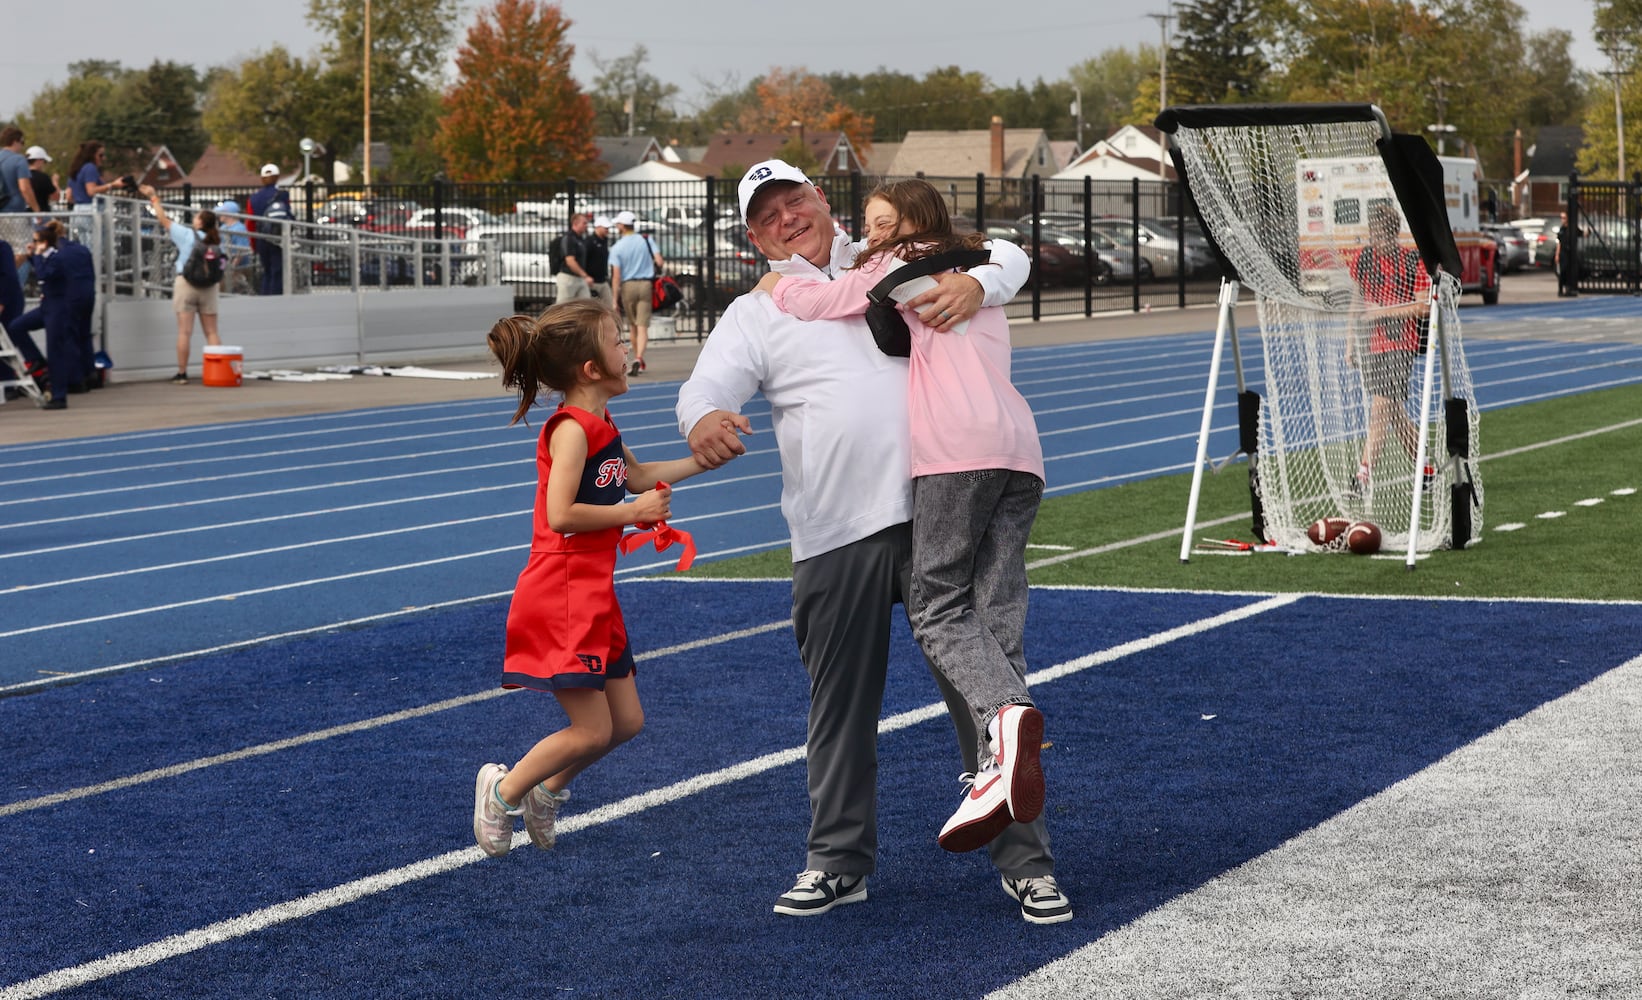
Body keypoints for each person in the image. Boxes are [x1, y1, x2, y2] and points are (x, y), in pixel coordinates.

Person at [677, 160, 1073, 925]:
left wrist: (979, 286)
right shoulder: (756, 309)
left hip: (940, 505)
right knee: (840, 708)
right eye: (768, 216)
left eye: (795, 200)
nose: (788, 218)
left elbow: (1009, 253)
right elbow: (704, 389)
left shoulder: (896, 253)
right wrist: (703, 420)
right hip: (835, 528)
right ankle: (837, 862)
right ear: (756, 239)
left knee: (984, 690)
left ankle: (1027, 864)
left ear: (823, 200)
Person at [754, 177, 1049, 854]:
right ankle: (1003, 761)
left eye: (880, 222)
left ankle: (1008, 719)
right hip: (1019, 453)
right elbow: (1006, 253)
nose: (871, 231)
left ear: (911, 225)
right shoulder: (973, 264)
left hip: (955, 454)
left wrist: (780, 287)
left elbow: (830, 298)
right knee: (995, 615)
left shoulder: (897, 266)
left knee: (938, 606)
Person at [472, 299, 710, 858]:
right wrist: (635, 513)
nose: (628, 350)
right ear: (591, 369)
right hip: (562, 591)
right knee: (591, 730)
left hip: (592, 590)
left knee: (625, 721)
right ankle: (502, 792)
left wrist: (705, 458)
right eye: (618, 342)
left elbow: (638, 476)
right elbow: (561, 516)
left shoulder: (601, 421)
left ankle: (546, 791)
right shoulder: (572, 431)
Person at [1349, 202, 1433, 494]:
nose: (1377, 242)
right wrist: (1350, 343)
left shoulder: (1412, 261)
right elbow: (1357, 302)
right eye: (1373, 235)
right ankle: (1427, 469)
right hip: (1372, 344)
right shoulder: (1363, 259)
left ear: (1393, 234)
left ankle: (1362, 475)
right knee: (1394, 412)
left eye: (1382, 236)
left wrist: (1382, 312)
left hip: (1401, 343)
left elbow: (1422, 307)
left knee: (1380, 408)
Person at [141, 184, 222, 383]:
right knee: (211, 331)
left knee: (185, 331)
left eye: (196, 216)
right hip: (209, 287)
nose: (193, 219)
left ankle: (182, 373)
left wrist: (154, 197)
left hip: (186, 284)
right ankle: (217, 371)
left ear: (201, 222)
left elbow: (163, 219)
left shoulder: (186, 235)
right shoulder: (216, 240)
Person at [14, 221, 96, 408]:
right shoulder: (49, 257)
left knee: (56, 351)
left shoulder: (56, 258)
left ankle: (60, 395)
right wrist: (33, 258)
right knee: (16, 326)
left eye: (36, 241)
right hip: (48, 306)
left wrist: (36, 256)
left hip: (59, 309)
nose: (33, 244)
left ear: (45, 242)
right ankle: (36, 359)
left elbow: (43, 275)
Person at [607, 211, 664, 375]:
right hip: (646, 285)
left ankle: (636, 356)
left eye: (618, 224)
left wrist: (614, 300)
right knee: (643, 325)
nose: (617, 226)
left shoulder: (617, 247)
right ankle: (639, 357)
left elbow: (616, 276)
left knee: (633, 325)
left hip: (628, 286)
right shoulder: (646, 240)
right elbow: (659, 261)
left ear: (623, 226)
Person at [246, 163, 293, 295]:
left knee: (266, 270)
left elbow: (250, 223)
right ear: (277, 177)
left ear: (262, 178)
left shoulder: (253, 198)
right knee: (277, 270)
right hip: (279, 238)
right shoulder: (283, 195)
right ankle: (276, 297)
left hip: (261, 239)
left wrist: (253, 243)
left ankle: (265, 296)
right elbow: (288, 216)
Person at [553, 212, 594, 302]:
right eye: (584, 223)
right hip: (568, 277)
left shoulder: (580, 239)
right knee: (563, 307)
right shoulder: (569, 238)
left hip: (579, 278)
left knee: (586, 305)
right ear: (575, 223)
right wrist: (585, 276)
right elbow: (570, 261)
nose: (586, 226)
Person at [216, 200, 253, 295]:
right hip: (225, 261)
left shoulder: (239, 228)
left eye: (222, 213)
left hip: (237, 265)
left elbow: (241, 251)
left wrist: (232, 267)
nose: (219, 215)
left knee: (227, 285)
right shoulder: (223, 227)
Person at [586, 216, 613, 307]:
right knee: (592, 308)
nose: (607, 230)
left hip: (603, 280)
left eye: (608, 228)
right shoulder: (589, 241)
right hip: (592, 281)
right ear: (597, 227)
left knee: (609, 306)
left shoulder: (605, 241)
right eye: (605, 228)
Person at [25, 146, 57, 218]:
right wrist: (55, 182)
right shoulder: (43, 177)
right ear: (39, 160)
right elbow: (55, 197)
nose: (44, 164)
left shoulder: (22, 177)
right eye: (44, 161)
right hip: (42, 214)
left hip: (24, 214)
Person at [1554, 210, 1579, 297]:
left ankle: (1570, 289)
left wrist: (1588, 232)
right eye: (1561, 218)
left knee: (1570, 272)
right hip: (1563, 253)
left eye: (1564, 218)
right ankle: (1560, 290)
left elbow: (1581, 233)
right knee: (1563, 271)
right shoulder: (1561, 229)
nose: (1562, 220)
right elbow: (1559, 243)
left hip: (1571, 253)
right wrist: (1557, 254)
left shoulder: (1572, 228)